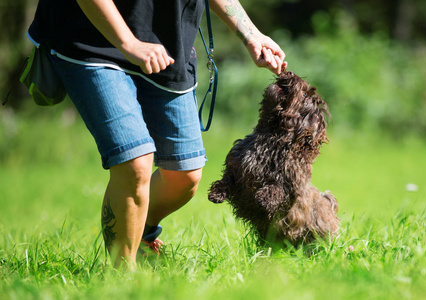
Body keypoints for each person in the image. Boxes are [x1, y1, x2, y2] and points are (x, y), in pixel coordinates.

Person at [27, 0, 287, 269]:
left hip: (168, 49)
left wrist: (251, 34)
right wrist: (129, 43)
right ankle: (123, 279)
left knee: (184, 176)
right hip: (93, 41)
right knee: (134, 161)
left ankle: (140, 233)